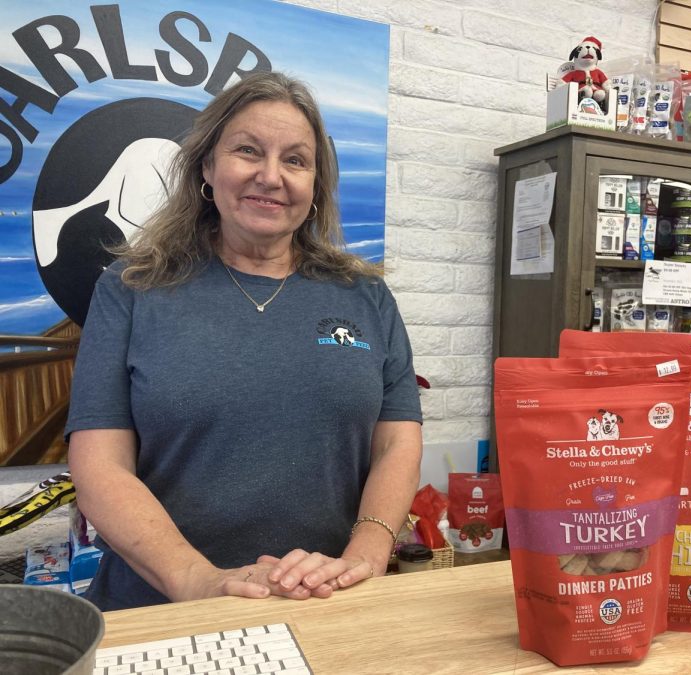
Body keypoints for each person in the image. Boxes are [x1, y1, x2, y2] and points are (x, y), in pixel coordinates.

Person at [65, 71, 424, 610]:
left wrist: (364, 555)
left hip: (324, 605)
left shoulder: (364, 296)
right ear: (207, 168)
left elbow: (397, 441)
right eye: (248, 151)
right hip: (162, 608)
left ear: (316, 185)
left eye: (296, 160)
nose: (271, 176)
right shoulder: (133, 289)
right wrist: (197, 579)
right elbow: (98, 465)